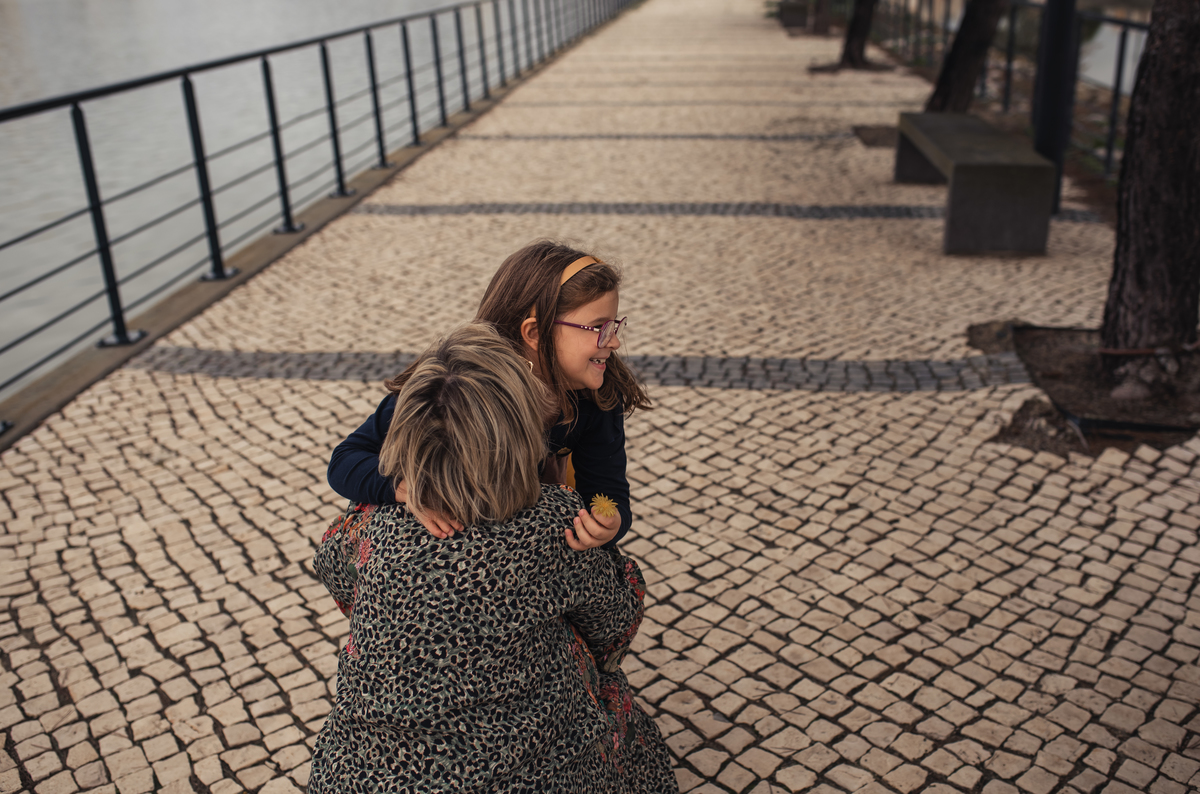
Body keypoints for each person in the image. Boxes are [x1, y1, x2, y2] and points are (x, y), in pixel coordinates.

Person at [309, 324, 678, 793]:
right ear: (519, 433)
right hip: (540, 774)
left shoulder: (371, 525)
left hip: (364, 778)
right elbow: (615, 623)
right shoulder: (554, 523)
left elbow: (333, 569)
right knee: (608, 694)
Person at [327, 239, 652, 549]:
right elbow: (344, 461)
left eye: (615, 325)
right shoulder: (454, 387)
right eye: (599, 328)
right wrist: (406, 488)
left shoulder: (596, 397)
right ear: (535, 333)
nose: (614, 341)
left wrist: (609, 526)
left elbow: (607, 491)